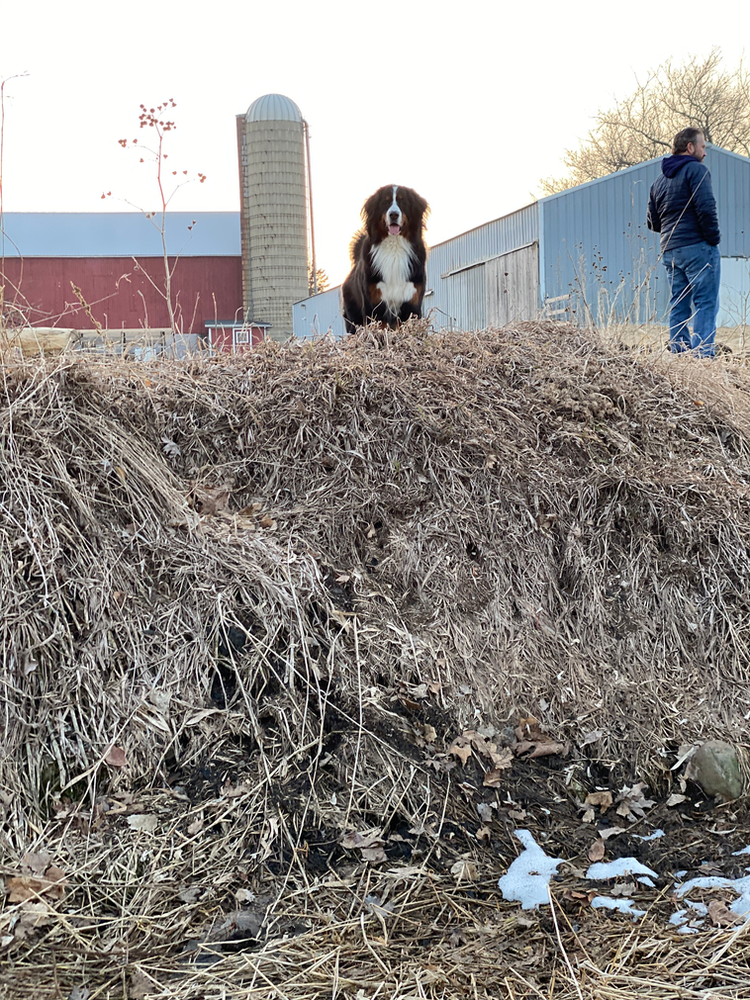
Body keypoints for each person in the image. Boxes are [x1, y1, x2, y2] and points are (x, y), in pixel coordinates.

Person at [647, 127, 721, 357]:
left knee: (678, 303)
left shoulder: (659, 182)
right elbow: (707, 209)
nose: (705, 152)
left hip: (669, 251)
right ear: (690, 147)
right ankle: (702, 356)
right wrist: (713, 239)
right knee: (705, 303)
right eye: (702, 147)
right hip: (697, 247)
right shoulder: (696, 171)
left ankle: (679, 355)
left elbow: (652, 222)